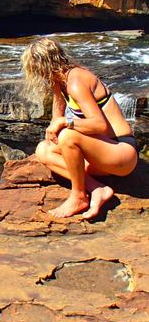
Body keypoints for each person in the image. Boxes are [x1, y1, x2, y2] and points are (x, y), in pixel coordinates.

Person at [21, 37, 138, 219]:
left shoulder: (76, 81)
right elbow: (56, 120)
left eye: (35, 69)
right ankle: (97, 188)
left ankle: (78, 196)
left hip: (121, 153)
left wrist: (67, 123)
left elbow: (99, 124)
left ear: (43, 65)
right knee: (43, 149)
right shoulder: (60, 82)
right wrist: (57, 123)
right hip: (102, 156)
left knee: (68, 136)